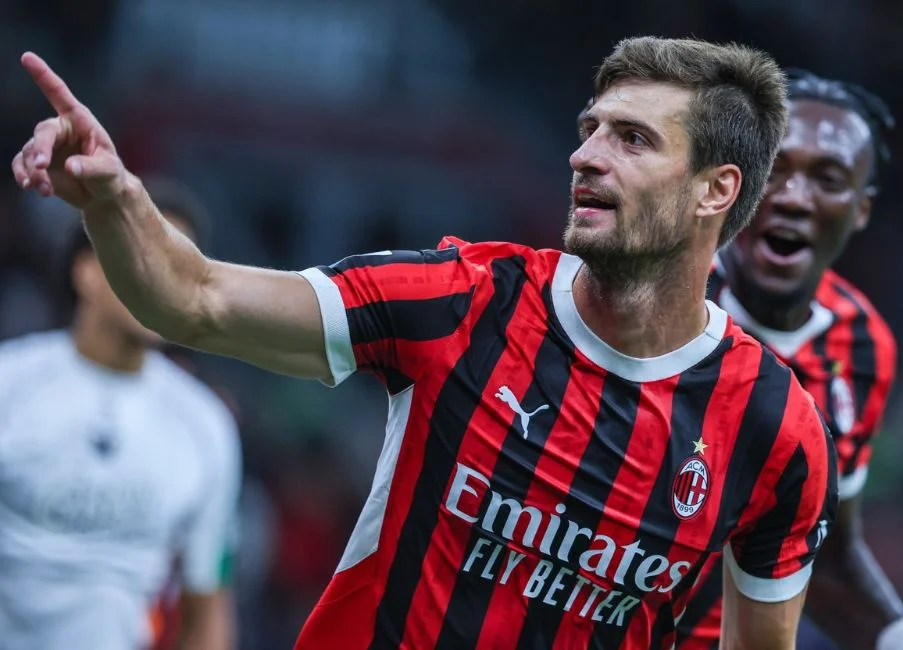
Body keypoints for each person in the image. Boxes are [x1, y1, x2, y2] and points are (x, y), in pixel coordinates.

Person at [11, 37, 838, 650]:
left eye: (633, 139)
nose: (585, 156)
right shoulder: (463, 301)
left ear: (715, 190)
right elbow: (195, 299)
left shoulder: (776, 430)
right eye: (590, 128)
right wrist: (114, 202)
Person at [673, 71, 903, 650]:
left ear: (862, 209)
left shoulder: (864, 345)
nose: (795, 198)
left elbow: (820, 556)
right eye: (775, 168)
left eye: (828, 178)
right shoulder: (662, 287)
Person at [0, 179, 242, 650]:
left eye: (177, 266)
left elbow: (207, 609)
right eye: (141, 253)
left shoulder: (207, 426)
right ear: (85, 270)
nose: (159, 282)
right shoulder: (9, 385)